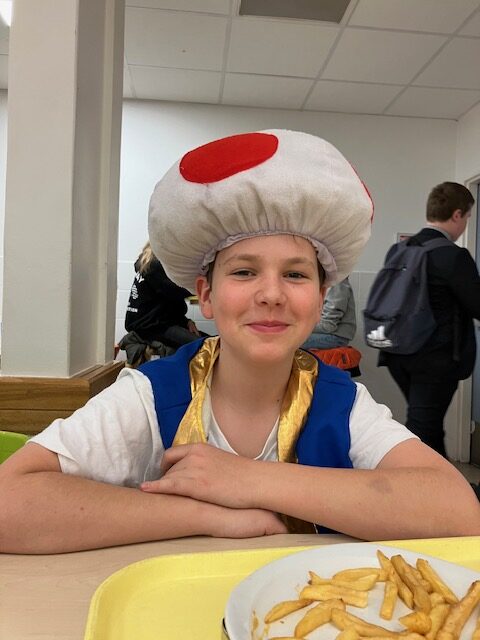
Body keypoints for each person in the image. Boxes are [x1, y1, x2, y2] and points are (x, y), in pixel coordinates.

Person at [1, 131, 478, 554]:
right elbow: (10, 502)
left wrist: (248, 478)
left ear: (320, 298)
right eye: (245, 271)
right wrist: (207, 516)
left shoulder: (344, 404)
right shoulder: (151, 395)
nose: (271, 294)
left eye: (296, 274)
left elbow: (459, 512)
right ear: (206, 295)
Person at [378, 182, 480, 457]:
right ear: (457, 215)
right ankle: (413, 480)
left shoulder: (399, 249)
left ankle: (439, 481)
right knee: (423, 427)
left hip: (396, 352)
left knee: (427, 425)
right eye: (467, 217)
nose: (465, 224)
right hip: (434, 359)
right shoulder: (453, 256)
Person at [120, 241, 207, 366]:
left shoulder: (150, 263)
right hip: (151, 326)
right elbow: (177, 291)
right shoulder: (155, 265)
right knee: (203, 347)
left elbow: (167, 303)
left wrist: (185, 321)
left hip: (153, 323)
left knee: (207, 342)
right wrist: (205, 288)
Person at [302, 277, 356, 350]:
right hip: (329, 333)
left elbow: (329, 326)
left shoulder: (337, 284)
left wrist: (302, 327)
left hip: (335, 337)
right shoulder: (327, 283)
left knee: (291, 341)